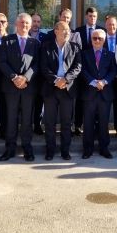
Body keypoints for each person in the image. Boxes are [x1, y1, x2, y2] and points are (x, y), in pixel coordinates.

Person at [0, 13, 41, 161]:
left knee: (27, 120)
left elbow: (37, 64)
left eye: (27, 23)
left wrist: (25, 77)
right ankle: (10, 149)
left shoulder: (35, 43)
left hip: (28, 87)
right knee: (11, 119)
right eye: (22, 23)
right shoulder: (6, 40)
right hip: (11, 86)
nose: (24, 25)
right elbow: (2, 62)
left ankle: (27, 148)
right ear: (16, 24)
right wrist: (14, 77)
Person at [40, 21, 82, 160]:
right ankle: (50, 150)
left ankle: (65, 151)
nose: (67, 32)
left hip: (67, 89)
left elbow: (77, 66)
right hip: (50, 89)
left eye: (68, 30)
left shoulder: (75, 47)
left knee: (66, 123)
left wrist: (65, 79)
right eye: (64, 29)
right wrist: (55, 80)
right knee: (50, 123)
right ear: (56, 31)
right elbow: (43, 67)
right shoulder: (46, 46)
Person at [80, 29, 116, 159]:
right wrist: (94, 82)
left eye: (100, 38)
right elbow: (82, 70)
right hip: (89, 93)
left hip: (105, 93)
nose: (97, 40)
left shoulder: (110, 54)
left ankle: (104, 148)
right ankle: (87, 149)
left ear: (104, 40)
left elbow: (113, 71)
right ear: (91, 39)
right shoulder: (84, 54)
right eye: (94, 38)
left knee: (104, 123)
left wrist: (104, 82)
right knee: (88, 123)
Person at [74, 7, 105, 135]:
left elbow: (104, 51)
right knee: (81, 100)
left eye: (95, 16)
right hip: (82, 70)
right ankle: (77, 125)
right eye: (90, 16)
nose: (92, 18)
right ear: (86, 16)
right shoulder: (78, 31)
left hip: (97, 72)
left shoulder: (102, 31)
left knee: (97, 100)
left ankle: (96, 126)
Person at [29, 12, 47, 136]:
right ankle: (26, 125)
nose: (36, 24)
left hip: (41, 75)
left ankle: (37, 125)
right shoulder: (24, 35)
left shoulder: (45, 37)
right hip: (27, 74)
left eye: (38, 21)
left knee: (40, 102)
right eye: (34, 21)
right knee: (27, 102)